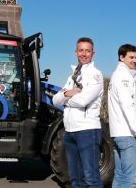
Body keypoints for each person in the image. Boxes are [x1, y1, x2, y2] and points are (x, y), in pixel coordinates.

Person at [53, 37, 104, 187]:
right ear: (76, 53)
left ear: (93, 54)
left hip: (87, 130)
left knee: (91, 177)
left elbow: (83, 101)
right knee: (75, 178)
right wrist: (68, 93)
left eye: (87, 51)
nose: (84, 54)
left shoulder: (95, 75)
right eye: (81, 50)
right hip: (70, 131)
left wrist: (65, 96)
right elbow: (55, 100)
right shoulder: (72, 76)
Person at [108, 44, 136, 188]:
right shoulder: (124, 76)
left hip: (117, 133)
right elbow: (127, 106)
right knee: (130, 179)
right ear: (121, 57)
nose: (135, 60)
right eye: (131, 57)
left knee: (119, 175)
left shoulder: (116, 75)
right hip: (127, 133)